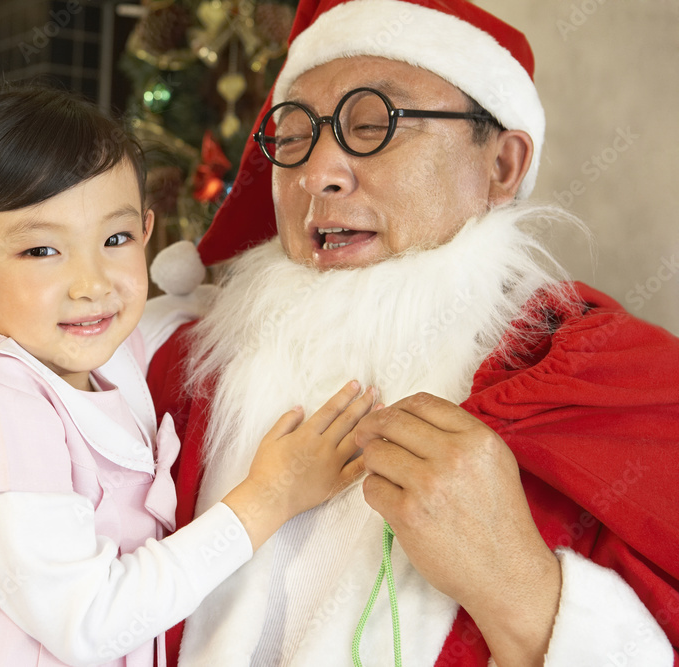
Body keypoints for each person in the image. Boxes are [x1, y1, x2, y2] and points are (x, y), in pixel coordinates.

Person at [145, 1, 679, 665]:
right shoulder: (173, 373)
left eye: (373, 124)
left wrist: (518, 585)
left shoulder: (614, 383)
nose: (317, 175)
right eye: (292, 136)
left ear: (503, 166)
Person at [0, 83, 376, 667]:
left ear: (147, 234)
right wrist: (270, 497)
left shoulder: (89, 353)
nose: (93, 282)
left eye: (115, 239)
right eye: (42, 251)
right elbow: (92, 623)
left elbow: (162, 319)